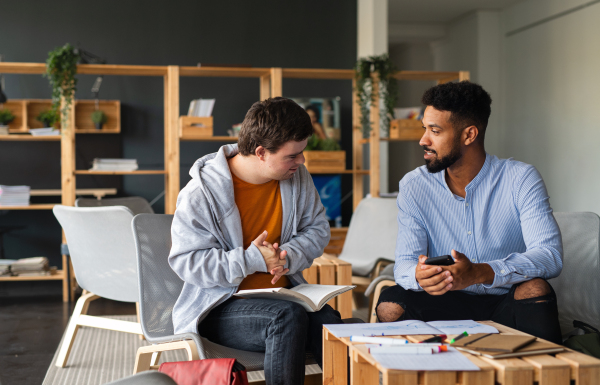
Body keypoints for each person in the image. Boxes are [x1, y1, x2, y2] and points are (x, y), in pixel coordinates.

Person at [168, 97, 343, 385]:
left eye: (302, 152)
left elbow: (318, 229)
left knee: (330, 323)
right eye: (292, 155)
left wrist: (285, 255)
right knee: (285, 319)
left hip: (287, 296)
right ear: (261, 152)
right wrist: (252, 259)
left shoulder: (297, 177)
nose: (301, 161)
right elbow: (187, 262)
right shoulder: (200, 193)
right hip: (219, 305)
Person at [377, 81, 564, 344]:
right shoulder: (414, 185)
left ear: (469, 135)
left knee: (536, 288)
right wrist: (419, 276)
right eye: (424, 129)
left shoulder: (521, 178)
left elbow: (550, 256)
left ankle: (548, 374)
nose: (423, 140)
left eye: (435, 130)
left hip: (504, 301)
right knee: (389, 305)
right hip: (445, 301)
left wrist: (480, 272)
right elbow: (405, 263)